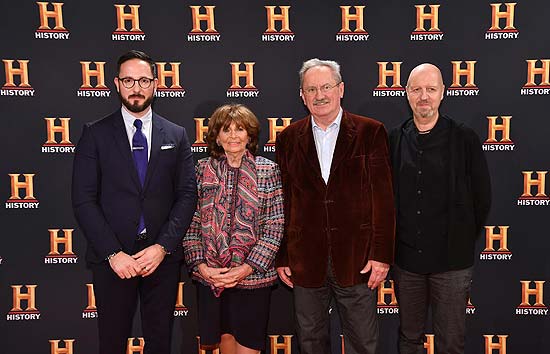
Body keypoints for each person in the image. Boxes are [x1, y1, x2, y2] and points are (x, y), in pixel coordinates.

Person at [72, 50, 197, 354]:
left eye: (143, 80)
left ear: (155, 84)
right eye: (128, 80)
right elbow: (83, 199)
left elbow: (186, 195)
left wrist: (162, 247)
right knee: (112, 341)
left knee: (160, 340)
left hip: (160, 259)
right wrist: (114, 253)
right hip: (112, 260)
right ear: (116, 84)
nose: (136, 88)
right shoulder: (95, 133)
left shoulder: (177, 134)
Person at [275, 58, 395, 354]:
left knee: (362, 343)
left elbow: (384, 199)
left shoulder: (370, 132)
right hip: (305, 262)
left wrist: (381, 255)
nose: (320, 95)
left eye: (326, 86)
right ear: (302, 96)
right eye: (311, 89)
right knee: (310, 342)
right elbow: (283, 201)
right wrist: (283, 255)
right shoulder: (288, 138)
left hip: (357, 260)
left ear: (341, 89)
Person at [389, 63, 491, 354]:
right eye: (417, 89)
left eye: (431, 89)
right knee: (409, 340)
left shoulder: (464, 138)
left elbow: (482, 197)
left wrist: (461, 236)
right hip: (407, 262)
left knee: (451, 343)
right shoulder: (394, 139)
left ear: (442, 93)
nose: (424, 96)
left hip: (452, 262)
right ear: (407, 93)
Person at [183, 104, 284, 354]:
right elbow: (190, 222)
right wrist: (201, 266)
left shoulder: (267, 170)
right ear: (216, 136)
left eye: (240, 129)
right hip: (212, 279)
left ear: (249, 134)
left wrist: (246, 268)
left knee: (248, 348)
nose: (233, 136)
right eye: (225, 130)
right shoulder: (201, 170)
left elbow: (275, 225)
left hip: (253, 279)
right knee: (223, 345)